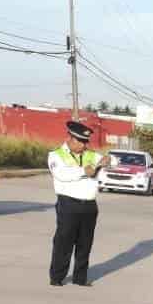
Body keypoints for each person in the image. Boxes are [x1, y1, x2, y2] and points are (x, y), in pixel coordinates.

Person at [47, 120, 107, 287]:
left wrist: (107, 161)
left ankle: (80, 278)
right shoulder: (56, 155)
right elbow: (62, 174)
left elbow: (108, 161)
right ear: (71, 139)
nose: (84, 145)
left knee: (85, 243)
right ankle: (57, 277)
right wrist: (83, 171)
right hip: (68, 204)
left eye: (86, 142)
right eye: (81, 142)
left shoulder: (91, 154)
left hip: (89, 205)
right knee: (63, 242)